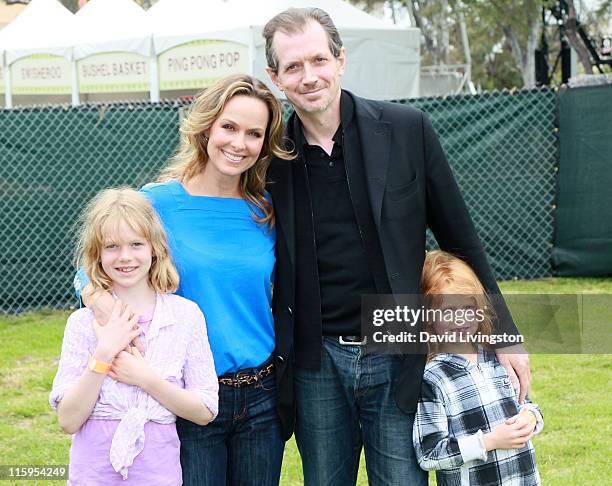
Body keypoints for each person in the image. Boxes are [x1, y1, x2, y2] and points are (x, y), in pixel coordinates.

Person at [262, 7, 532, 485]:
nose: (309, 76)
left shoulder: (407, 129)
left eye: (318, 60)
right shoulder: (269, 158)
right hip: (315, 357)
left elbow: (460, 236)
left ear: (340, 60)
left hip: (397, 340)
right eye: (293, 67)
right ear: (275, 76)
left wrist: (505, 333)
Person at [75, 75, 294, 486]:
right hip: (184, 394)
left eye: (254, 133)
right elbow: (89, 272)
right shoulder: (157, 203)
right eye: (229, 127)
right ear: (207, 126)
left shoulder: (266, 210)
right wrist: (108, 309)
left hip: (261, 396)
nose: (238, 142)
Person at [50, 188, 218, 485]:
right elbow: (68, 419)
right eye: (112, 246)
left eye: (136, 244)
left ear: (154, 248)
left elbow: (205, 411)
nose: (125, 257)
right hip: (93, 476)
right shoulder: (82, 323)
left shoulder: (185, 316)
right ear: (97, 254)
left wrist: (145, 378)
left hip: (158, 475)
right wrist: (103, 355)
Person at [413, 250, 543, 485]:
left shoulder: (498, 357)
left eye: (467, 308)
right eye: (448, 311)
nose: (460, 319)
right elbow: (429, 454)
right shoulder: (433, 378)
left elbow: (528, 404)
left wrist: (530, 418)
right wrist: (489, 441)